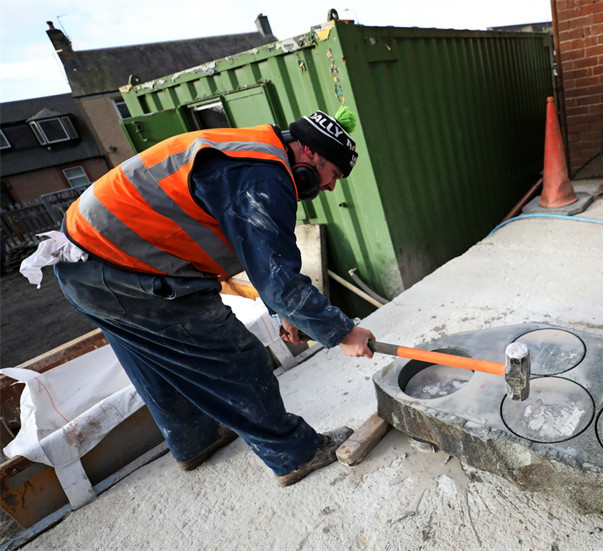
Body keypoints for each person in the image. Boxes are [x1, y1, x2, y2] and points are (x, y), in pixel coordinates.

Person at [47, 107, 375, 487]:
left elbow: (260, 260)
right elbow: (277, 279)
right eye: (333, 175)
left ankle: (194, 442)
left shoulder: (253, 152)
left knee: (156, 360)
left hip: (83, 265)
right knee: (236, 355)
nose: (331, 187)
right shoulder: (262, 178)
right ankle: (294, 455)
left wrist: (287, 314)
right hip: (120, 269)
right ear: (311, 157)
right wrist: (343, 332)